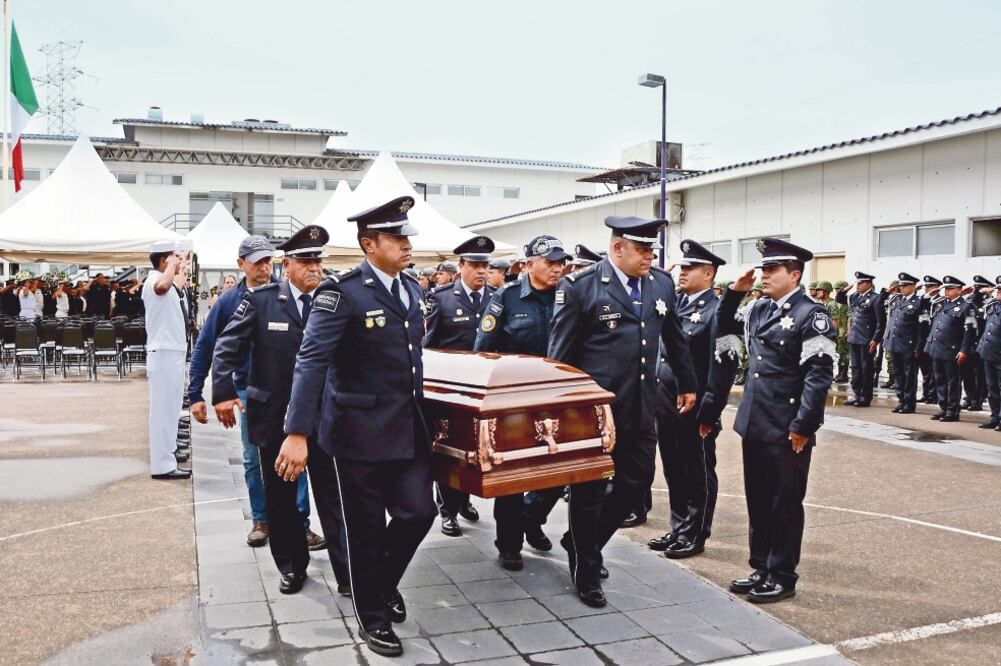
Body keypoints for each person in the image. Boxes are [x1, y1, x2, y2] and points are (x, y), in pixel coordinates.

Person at [283, 196, 435, 658]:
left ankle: (380, 582)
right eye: (397, 237)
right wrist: (297, 432)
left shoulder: (410, 288)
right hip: (357, 432)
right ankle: (373, 616)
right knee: (365, 529)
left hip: (407, 428)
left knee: (418, 513)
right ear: (369, 245)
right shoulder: (341, 292)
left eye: (408, 236)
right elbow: (311, 361)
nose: (408, 244)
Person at [548, 216, 697, 608]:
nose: (650, 256)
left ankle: (584, 542)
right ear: (618, 249)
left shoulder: (661, 283)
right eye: (642, 250)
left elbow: (675, 336)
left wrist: (689, 382)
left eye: (652, 250)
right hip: (594, 413)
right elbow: (559, 356)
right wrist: (560, 410)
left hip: (641, 405)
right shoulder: (580, 287)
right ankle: (586, 568)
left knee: (637, 480)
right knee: (590, 490)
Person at [212, 225, 349, 598]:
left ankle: (348, 572)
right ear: (286, 264)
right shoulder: (261, 301)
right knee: (282, 499)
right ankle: (291, 565)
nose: (314, 268)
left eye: (318, 260)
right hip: (274, 417)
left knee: (334, 498)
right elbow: (226, 346)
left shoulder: (334, 300)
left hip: (325, 417)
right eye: (305, 260)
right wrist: (222, 391)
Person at [718, 237, 836, 603]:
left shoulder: (811, 315)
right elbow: (723, 330)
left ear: (795, 274)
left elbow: (819, 375)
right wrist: (733, 294)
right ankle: (760, 566)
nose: (764, 276)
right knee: (758, 498)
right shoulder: (758, 309)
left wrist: (804, 425)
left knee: (784, 502)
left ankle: (782, 574)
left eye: (773, 270)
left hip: (787, 425)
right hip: (755, 419)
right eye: (764, 269)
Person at [189, 236, 322, 550]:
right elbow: (208, 348)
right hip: (250, 393)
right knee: (253, 459)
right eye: (257, 261)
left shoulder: (285, 295)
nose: (264, 267)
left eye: (268, 261)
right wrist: (197, 393)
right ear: (241, 264)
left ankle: (299, 523)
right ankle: (262, 519)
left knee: (294, 459)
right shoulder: (228, 302)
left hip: (293, 393)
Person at [474, 234, 571, 570]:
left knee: (561, 470)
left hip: (560, 397)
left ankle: (531, 518)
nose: (558, 269)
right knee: (512, 476)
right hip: (515, 400)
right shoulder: (507, 298)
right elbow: (484, 350)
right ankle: (510, 542)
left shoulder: (570, 295)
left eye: (561, 262)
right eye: (550, 262)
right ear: (530, 264)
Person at [648, 240, 736, 559]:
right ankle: (678, 527)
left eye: (689, 268)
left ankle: (695, 532)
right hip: (667, 403)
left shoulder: (718, 313)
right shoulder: (676, 305)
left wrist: (709, 414)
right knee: (674, 468)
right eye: (681, 267)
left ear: (709, 273)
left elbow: (724, 368)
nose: (682, 272)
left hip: (695, 409)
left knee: (697, 471)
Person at [424, 235, 497, 537]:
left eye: (486, 266)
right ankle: (448, 509)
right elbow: (426, 346)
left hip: (482, 391)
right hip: (451, 391)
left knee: (475, 451)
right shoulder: (442, 298)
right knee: (450, 451)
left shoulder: (496, 298)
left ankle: (464, 499)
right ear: (462, 266)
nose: (482, 271)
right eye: (476, 265)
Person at [143, 241, 192, 480]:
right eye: (172, 257)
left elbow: (177, 285)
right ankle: (162, 465)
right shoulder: (154, 279)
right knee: (162, 412)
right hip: (163, 353)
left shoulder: (168, 281)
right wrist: (172, 265)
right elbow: (163, 286)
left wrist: (182, 263)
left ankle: (169, 457)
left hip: (172, 352)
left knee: (172, 410)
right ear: (164, 261)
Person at [925, 276, 978, 422]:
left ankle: (952, 410)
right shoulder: (941, 303)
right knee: (939, 380)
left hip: (952, 349)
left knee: (952, 381)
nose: (947, 291)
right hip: (938, 348)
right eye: (946, 288)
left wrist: (964, 350)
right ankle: (944, 407)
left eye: (950, 288)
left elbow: (970, 330)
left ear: (959, 290)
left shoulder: (967, 306)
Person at [836, 272, 884, 407]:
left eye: (861, 283)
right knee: (855, 368)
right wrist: (844, 290)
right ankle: (856, 394)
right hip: (854, 337)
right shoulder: (855, 297)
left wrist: (876, 339)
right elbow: (840, 299)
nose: (858, 285)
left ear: (869, 283)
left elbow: (881, 322)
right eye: (857, 283)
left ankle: (865, 397)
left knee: (866, 368)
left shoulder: (875, 298)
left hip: (867, 339)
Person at [882, 273, 925, 414]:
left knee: (909, 375)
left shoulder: (919, 302)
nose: (902, 288)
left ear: (913, 286)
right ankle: (901, 400)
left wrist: (918, 346)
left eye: (905, 286)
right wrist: (888, 291)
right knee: (898, 374)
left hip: (909, 344)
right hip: (894, 343)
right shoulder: (896, 300)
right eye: (900, 286)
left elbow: (921, 327)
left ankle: (909, 403)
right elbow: (878, 302)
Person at [961, 275, 992, 411]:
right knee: (966, 373)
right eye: (976, 287)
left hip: (982, 342)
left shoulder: (989, 302)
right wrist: (964, 294)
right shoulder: (969, 299)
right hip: (968, 342)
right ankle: (969, 396)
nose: (976, 290)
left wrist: (985, 295)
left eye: (980, 287)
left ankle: (977, 400)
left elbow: (981, 316)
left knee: (980, 374)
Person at [977, 276, 1001, 431]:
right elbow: (973, 302)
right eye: (998, 289)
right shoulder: (994, 306)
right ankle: (994, 416)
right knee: (992, 388)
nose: (998, 292)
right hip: (989, 352)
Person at [919, 276, 943, 403]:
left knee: (934, 370)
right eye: (926, 286)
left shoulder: (941, 301)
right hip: (923, 340)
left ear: (937, 287)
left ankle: (933, 395)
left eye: (930, 286)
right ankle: (926, 393)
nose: (927, 289)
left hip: (935, 341)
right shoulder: (924, 300)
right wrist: (925, 297)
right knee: (925, 370)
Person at [829, 280, 850, 383]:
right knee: (838, 352)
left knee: (844, 353)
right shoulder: (835, 302)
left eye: (839, 289)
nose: (837, 291)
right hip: (837, 330)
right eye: (836, 289)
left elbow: (850, 317)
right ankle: (839, 372)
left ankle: (844, 374)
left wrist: (848, 331)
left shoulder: (847, 302)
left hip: (843, 330)